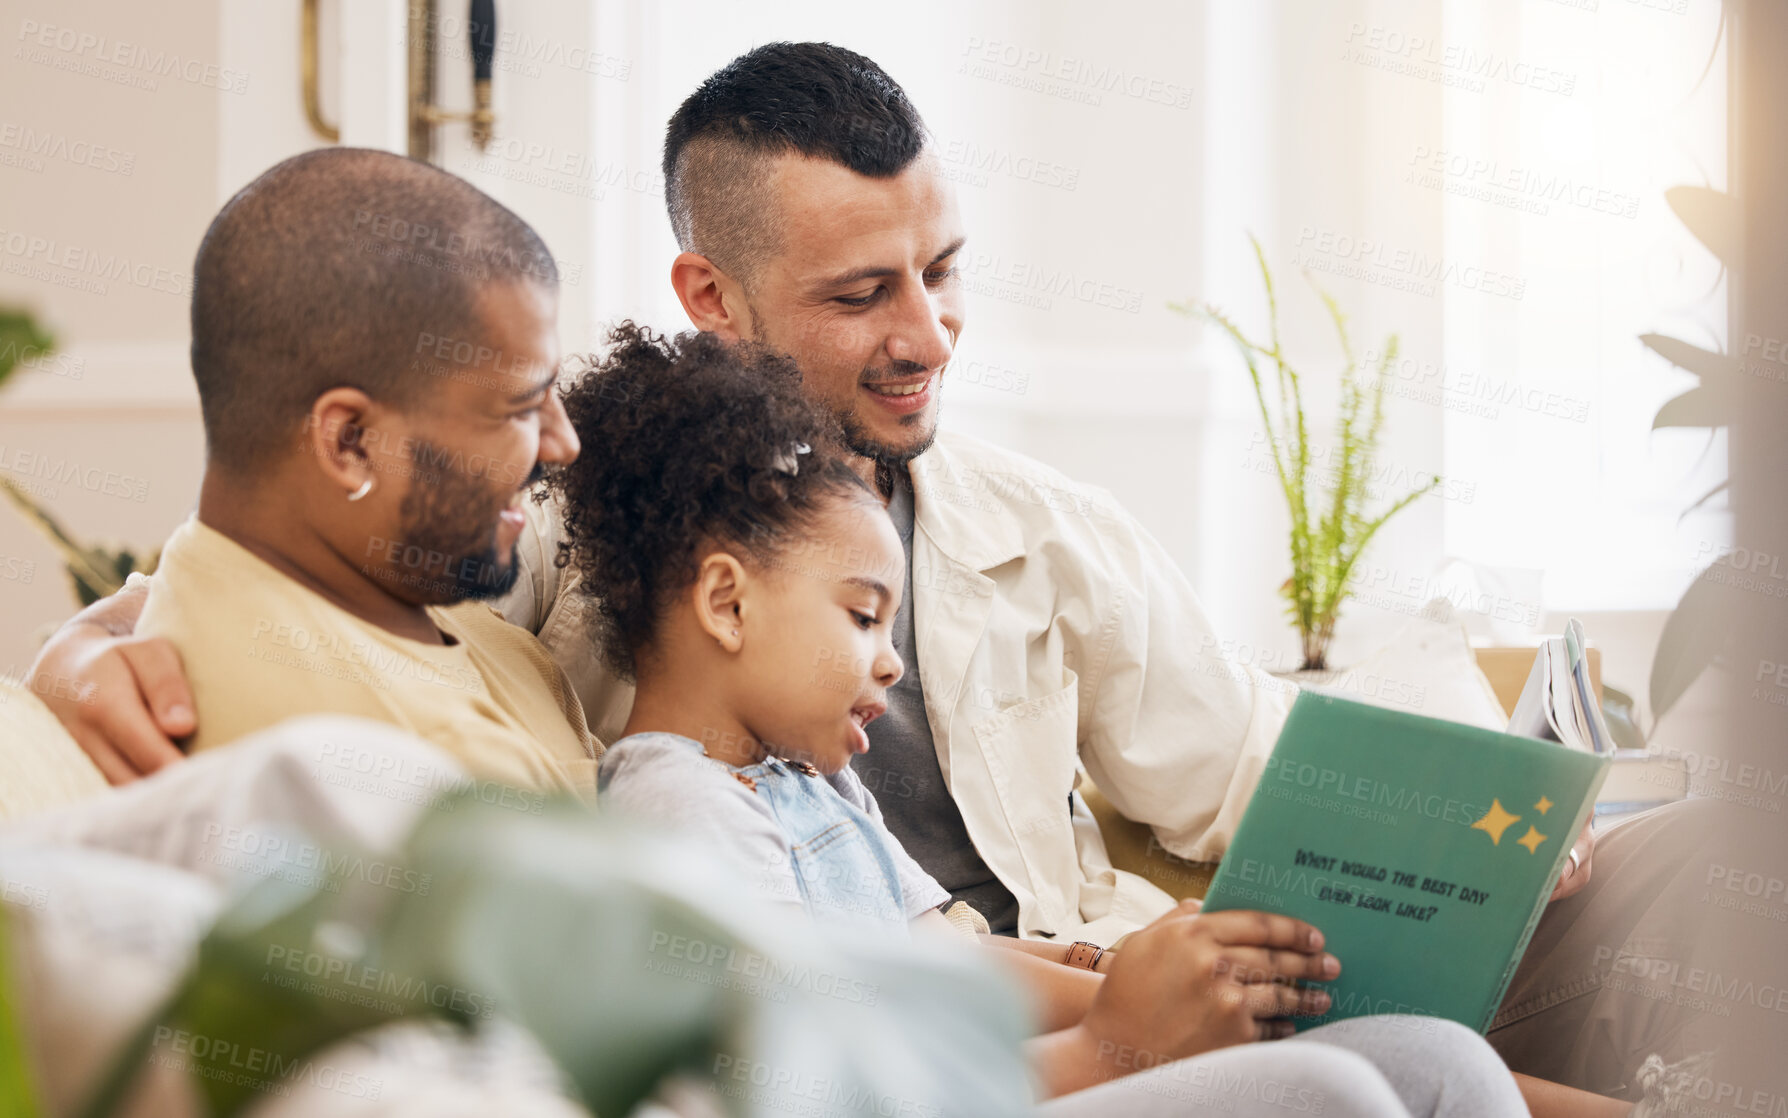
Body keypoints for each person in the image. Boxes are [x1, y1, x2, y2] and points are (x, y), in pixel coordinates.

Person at [25, 40, 1722, 1103]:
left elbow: (1249, 756)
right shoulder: (573, 521)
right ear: (709, 296)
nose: (927, 337)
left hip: (1106, 967)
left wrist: (1499, 820)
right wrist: (96, 633)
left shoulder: (1035, 521)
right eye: (861, 296)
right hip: (958, 1044)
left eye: (942, 271)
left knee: (1681, 856)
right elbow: (305, 580)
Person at [567, 322, 1533, 1116]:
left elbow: (957, 959)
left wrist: (1146, 978)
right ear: (727, 604)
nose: (892, 659)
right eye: (864, 617)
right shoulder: (680, 811)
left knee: (1435, 1062)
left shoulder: (810, 784)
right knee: (1330, 1095)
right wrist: (1116, 1046)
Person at [118, 146, 598, 795]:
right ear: (350, 443)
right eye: (520, 407)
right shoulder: (422, 776)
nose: (562, 442)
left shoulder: (390, 594)